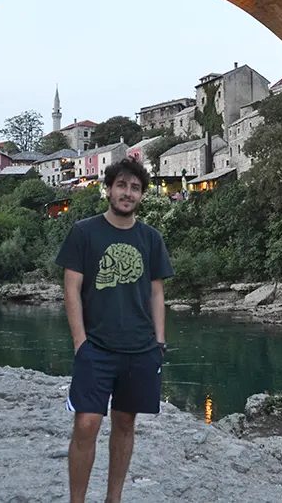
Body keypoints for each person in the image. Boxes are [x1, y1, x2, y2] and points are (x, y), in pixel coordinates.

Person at [57, 158, 173, 503]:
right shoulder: (84, 232)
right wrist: (80, 343)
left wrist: (160, 342)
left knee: (125, 423)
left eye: (135, 188)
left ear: (141, 195)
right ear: (108, 189)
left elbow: (156, 292)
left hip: (140, 348)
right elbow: (71, 290)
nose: (127, 193)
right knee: (86, 424)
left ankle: (114, 499)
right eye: (121, 185)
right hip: (97, 347)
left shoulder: (150, 238)